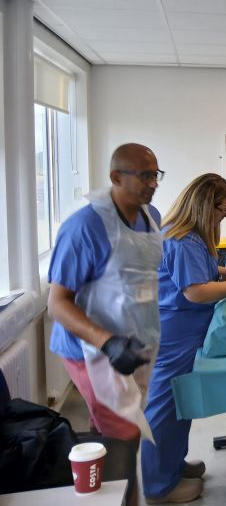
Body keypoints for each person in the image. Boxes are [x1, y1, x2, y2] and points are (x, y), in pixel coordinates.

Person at [46, 143, 165, 506]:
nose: (152, 184)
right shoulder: (84, 227)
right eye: (144, 175)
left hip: (135, 344)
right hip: (93, 351)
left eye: (156, 175)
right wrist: (107, 342)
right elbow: (57, 303)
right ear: (116, 177)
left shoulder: (151, 217)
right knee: (125, 433)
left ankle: (106, 491)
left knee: (116, 431)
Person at [140, 174, 226, 503]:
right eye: (225, 209)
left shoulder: (189, 236)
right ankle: (159, 487)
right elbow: (195, 290)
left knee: (182, 403)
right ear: (207, 205)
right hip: (176, 330)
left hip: (184, 328)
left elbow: (201, 269)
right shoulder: (181, 239)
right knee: (165, 407)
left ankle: (173, 466)